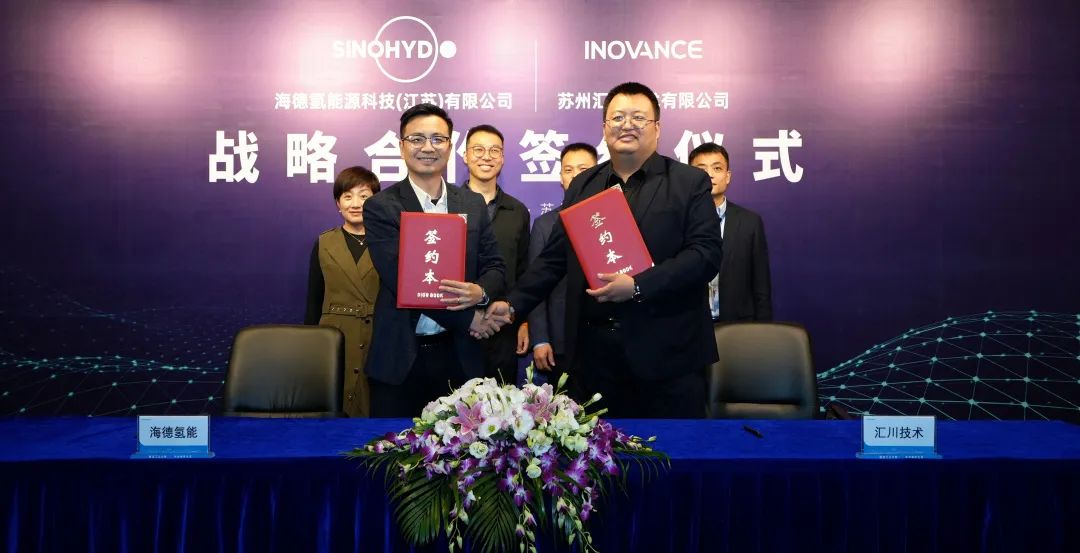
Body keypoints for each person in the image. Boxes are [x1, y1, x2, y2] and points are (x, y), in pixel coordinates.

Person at [486, 82, 723, 418]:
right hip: (594, 360)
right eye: (618, 117)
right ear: (604, 127)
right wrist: (512, 304)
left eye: (638, 118)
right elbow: (554, 258)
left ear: (657, 128)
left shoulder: (688, 182)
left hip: (668, 356)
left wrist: (638, 285)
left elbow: (705, 255)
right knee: (597, 450)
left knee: (671, 448)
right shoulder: (584, 185)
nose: (627, 125)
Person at [362, 103, 506, 417]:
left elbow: (495, 266)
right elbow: (404, 280)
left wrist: (480, 293)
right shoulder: (381, 207)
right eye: (417, 139)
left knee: (463, 445)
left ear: (450, 147)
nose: (428, 147)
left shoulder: (471, 203)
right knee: (394, 445)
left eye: (438, 139)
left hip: (459, 355)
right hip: (401, 357)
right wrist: (469, 318)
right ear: (402, 146)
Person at [304, 166, 381, 417]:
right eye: (348, 196)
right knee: (335, 405)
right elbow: (314, 299)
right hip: (335, 334)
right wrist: (311, 344)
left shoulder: (389, 241)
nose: (355, 204)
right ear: (338, 203)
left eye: (364, 196)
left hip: (378, 334)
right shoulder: (324, 242)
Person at [461, 124, 531, 381]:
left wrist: (522, 320)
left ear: (502, 158)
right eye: (478, 150)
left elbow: (523, 271)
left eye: (494, 151)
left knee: (502, 402)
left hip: (503, 326)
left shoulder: (518, 210)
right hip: (458, 326)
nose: (487, 157)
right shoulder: (447, 207)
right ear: (465, 156)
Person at [527, 143, 598, 391]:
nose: (576, 176)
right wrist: (540, 339)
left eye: (583, 169)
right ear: (560, 177)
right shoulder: (545, 225)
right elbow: (535, 285)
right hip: (559, 342)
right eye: (569, 170)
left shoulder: (613, 217)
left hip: (606, 339)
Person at [689, 143, 773, 322]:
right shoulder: (678, 220)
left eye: (717, 168)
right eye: (701, 169)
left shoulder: (750, 222)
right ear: (689, 177)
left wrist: (763, 330)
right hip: (691, 325)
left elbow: (761, 286)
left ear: (727, 176)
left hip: (738, 325)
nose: (710, 175)